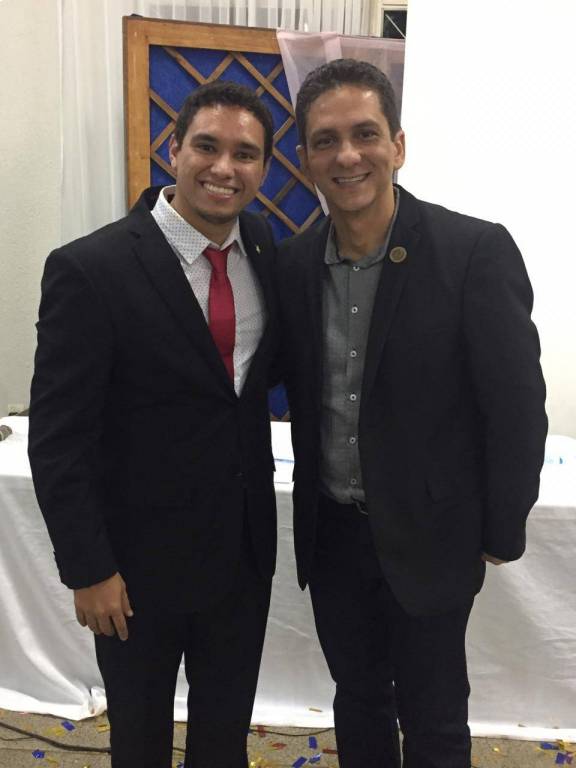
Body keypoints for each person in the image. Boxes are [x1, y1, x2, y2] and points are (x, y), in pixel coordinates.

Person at [277, 59, 547, 768]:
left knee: (434, 716)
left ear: (397, 145)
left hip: (434, 535)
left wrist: (501, 526)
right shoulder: (293, 264)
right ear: (305, 158)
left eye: (365, 134)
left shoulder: (472, 252)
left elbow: (517, 406)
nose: (348, 155)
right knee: (358, 700)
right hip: (333, 536)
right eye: (326, 140)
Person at [28, 81, 278, 768]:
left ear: (264, 168)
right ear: (173, 149)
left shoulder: (264, 249)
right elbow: (58, 439)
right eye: (207, 146)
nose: (224, 167)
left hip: (240, 557)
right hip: (135, 570)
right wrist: (88, 568)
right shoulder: (91, 269)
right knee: (139, 744)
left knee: (223, 739)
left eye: (245, 154)